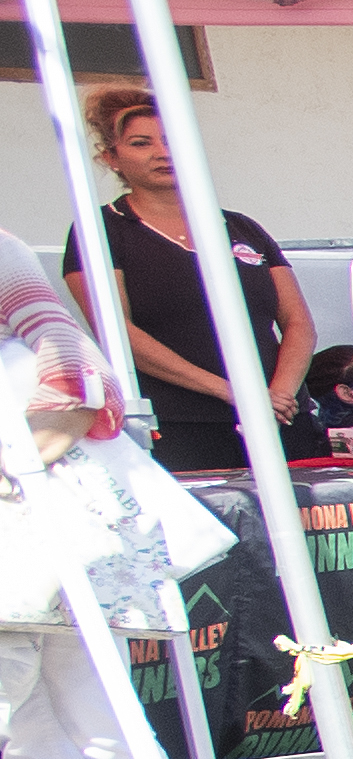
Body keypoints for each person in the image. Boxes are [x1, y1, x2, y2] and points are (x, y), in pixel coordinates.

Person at [1, 222, 184, 759]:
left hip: (36, 517)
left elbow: (73, 372)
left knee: (95, 703)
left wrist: (19, 468)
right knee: (23, 724)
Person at [78, 81, 310, 482]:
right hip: (184, 425)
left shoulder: (241, 227)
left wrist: (280, 394)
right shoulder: (103, 230)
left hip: (281, 416)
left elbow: (298, 323)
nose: (162, 153)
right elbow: (116, 329)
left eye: (171, 139)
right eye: (140, 143)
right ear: (111, 158)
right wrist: (233, 392)